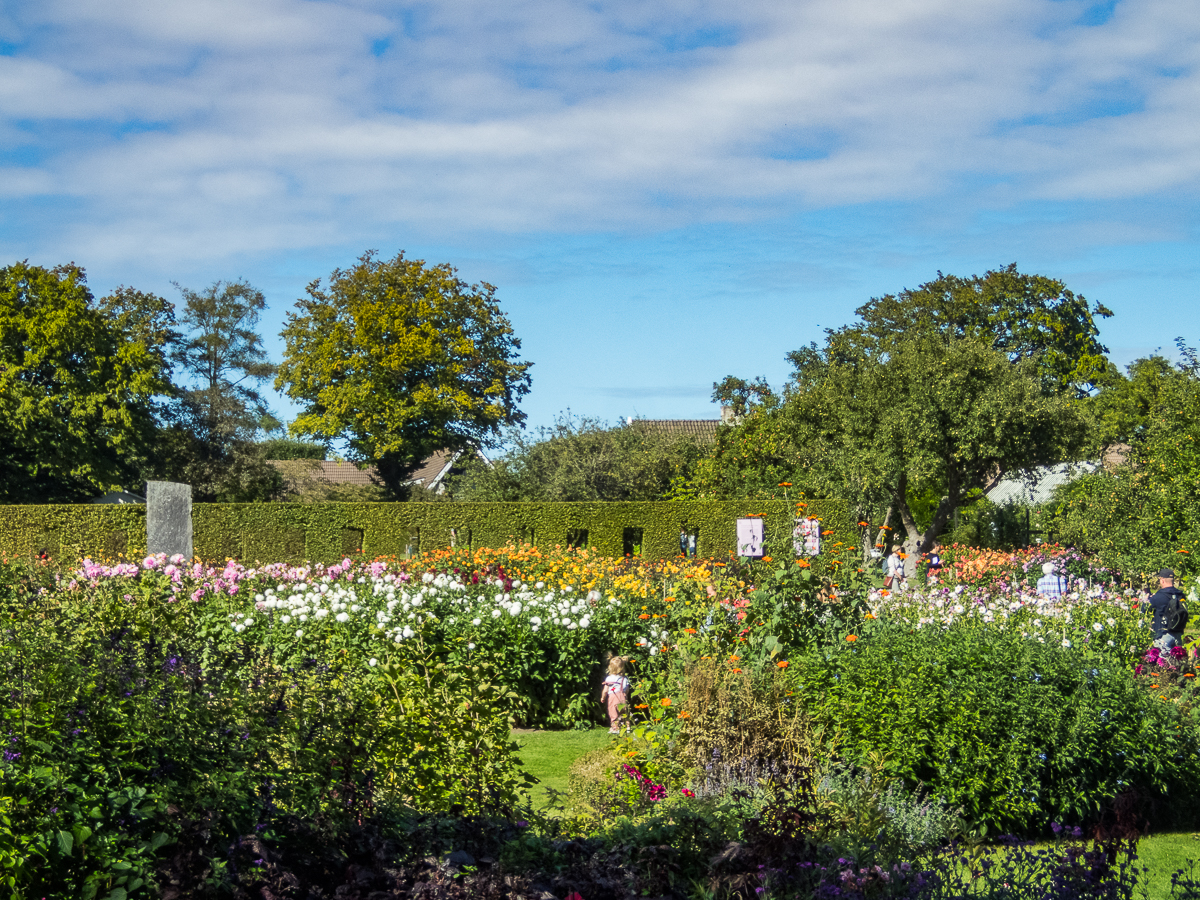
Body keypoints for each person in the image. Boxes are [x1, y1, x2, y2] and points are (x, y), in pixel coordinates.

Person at [1149, 568, 1188, 650]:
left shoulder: (1158, 597)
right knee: (1177, 661)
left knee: (1163, 661)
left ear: (1162, 580)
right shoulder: (1181, 595)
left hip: (1163, 635)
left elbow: (1144, 609)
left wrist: (1148, 598)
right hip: (1178, 634)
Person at [600, 656, 631, 734]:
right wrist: (625, 695)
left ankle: (615, 728)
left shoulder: (609, 678)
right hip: (622, 697)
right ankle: (627, 727)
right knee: (624, 713)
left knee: (613, 713)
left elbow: (605, 690)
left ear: (610, 667)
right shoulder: (624, 679)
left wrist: (603, 697)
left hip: (613, 698)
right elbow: (627, 689)